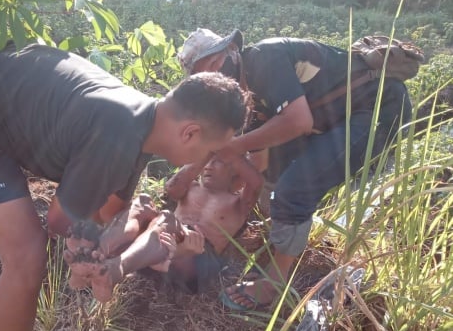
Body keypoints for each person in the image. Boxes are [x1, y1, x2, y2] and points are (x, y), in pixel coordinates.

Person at [0, 41, 250, 331]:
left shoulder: (144, 127)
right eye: (210, 152)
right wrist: (89, 248)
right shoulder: (117, 135)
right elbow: (59, 221)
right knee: (28, 254)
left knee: (75, 230)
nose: (207, 162)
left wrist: (114, 249)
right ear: (190, 133)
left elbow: (110, 211)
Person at [175, 28, 412, 311]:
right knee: (277, 172)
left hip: (377, 109)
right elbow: (261, 162)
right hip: (331, 120)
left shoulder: (263, 59)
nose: (216, 75)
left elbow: (298, 121)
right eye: (206, 76)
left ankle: (275, 281)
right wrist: (199, 174)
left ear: (232, 52)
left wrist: (233, 149)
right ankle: (284, 237)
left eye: (215, 64)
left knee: (296, 187)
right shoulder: (243, 99)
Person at [64, 153, 263, 301]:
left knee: (166, 218)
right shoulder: (191, 187)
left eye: (217, 161)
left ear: (234, 170)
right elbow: (172, 187)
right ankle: (94, 254)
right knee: (142, 202)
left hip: (197, 258)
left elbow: (255, 184)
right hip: (159, 247)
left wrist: (230, 148)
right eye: (207, 160)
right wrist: (209, 151)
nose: (208, 166)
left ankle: (114, 270)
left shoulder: (237, 203)